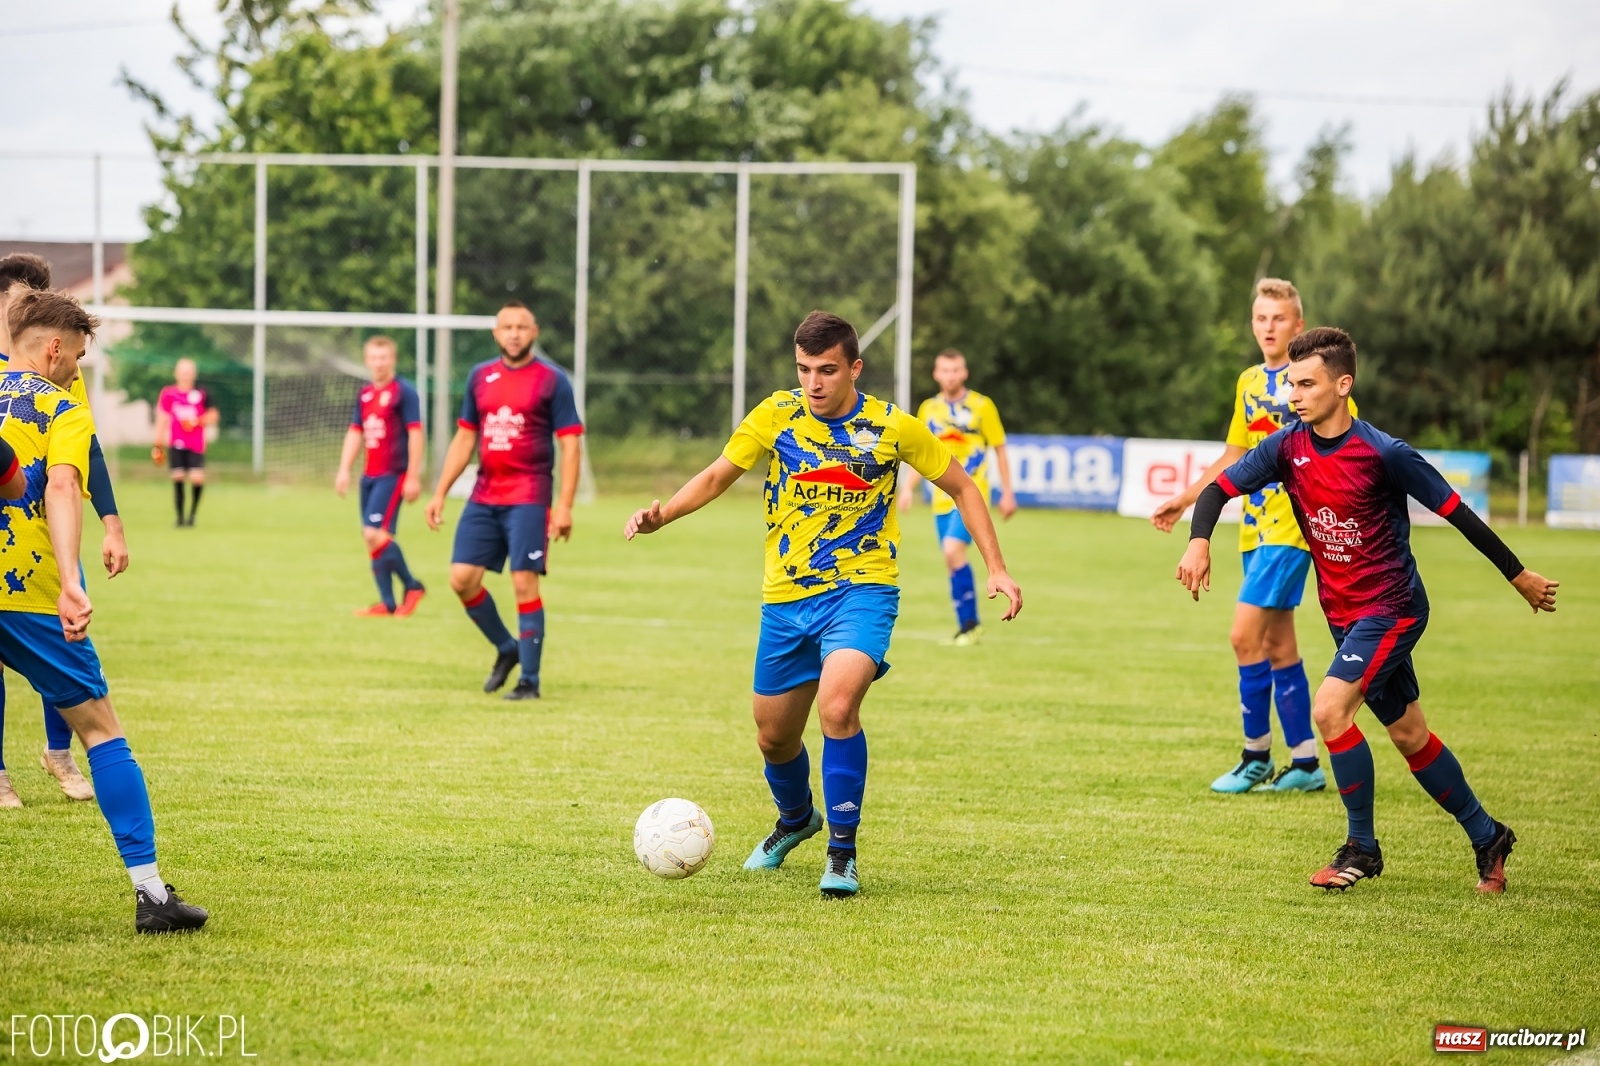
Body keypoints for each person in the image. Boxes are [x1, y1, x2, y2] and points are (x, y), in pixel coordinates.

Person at [625, 311, 1023, 898]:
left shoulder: (893, 427)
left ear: (854, 369)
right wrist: (663, 517)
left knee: (837, 708)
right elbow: (716, 476)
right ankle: (796, 821)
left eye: (827, 370)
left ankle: (842, 853)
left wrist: (996, 566)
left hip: (862, 591)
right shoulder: (775, 414)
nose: (814, 382)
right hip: (785, 600)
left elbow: (963, 486)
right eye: (804, 369)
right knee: (774, 738)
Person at [1176, 327, 1558, 894]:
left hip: (1393, 607)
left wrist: (1518, 574)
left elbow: (1457, 513)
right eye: (1290, 384)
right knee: (1409, 734)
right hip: (1344, 615)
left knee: (1330, 710)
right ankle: (1488, 834)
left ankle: (1362, 848)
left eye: (1306, 384)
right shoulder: (1287, 447)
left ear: (1343, 384)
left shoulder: (1384, 453)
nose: (1293, 396)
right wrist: (1199, 540)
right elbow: (1216, 491)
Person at [0, 289, 208, 931]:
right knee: (101, 730)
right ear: (55, 348)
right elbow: (61, 484)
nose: (76, 370)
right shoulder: (61, 406)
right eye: (77, 357)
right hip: (26, 591)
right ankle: (151, 895)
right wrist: (70, 579)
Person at [1153, 278, 1343, 794]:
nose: (1268, 327)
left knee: (1243, 636)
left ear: (1298, 325)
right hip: (1255, 526)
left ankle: (1255, 754)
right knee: (1279, 646)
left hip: (1294, 528)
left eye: (1278, 318)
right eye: (1260, 318)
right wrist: (1186, 497)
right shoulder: (1248, 382)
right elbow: (1232, 458)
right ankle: (1305, 763)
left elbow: (1345, 444)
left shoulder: (1317, 380)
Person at [0, 253, 121, 808]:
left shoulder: (61, 382)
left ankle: (58, 750)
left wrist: (112, 522)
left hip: (47, 546)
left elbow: (79, 460)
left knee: (67, 625)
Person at [425, 301, 583, 700]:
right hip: (484, 494)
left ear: (535, 332)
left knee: (523, 582)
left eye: (522, 326)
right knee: (461, 578)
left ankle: (529, 680)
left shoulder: (552, 380)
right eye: (507, 326)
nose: (514, 333)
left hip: (529, 496)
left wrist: (563, 506)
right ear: (495, 333)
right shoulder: (480, 377)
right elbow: (465, 438)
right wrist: (441, 491)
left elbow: (570, 446)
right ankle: (507, 647)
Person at [898, 348, 1017, 645]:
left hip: (971, 492)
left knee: (952, 550)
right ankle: (968, 625)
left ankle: (970, 625)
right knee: (952, 560)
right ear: (936, 374)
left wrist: (1008, 492)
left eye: (955, 370)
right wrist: (908, 488)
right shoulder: (928, 408)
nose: (950, 376)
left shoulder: (981, 406)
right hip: (940, 498)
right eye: (944, 370)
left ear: (964, 373)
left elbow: (1000, 448)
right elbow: (921, 453)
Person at [336, 336, 426, 616]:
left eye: (384, 357)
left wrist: (412, 475)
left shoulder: (404, 392)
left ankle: (413, 586)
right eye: (374, 358)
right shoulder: (364, 395)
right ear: (367, 361)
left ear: (393, 360)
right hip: (369, 475)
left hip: (393, 474)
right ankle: (388, 604)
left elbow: (415, 432)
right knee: (373, 538)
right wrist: (343, 469)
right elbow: (355, 432)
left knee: (373, 533)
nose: (379, 363)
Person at [152, 358, 219, 527]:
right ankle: (180, 518)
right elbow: (162, 418)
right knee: (178, 477)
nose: (185, 376)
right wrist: (157, 444)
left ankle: (192, 515)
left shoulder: (202, 393)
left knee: (197, 479)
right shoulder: (169, 394)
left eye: (188, 372)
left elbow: (214, 415)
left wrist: (197, 421)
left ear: (194, 374)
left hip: (196, 444)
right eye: (183, 372)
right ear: (176, 374)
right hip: (176, 444)